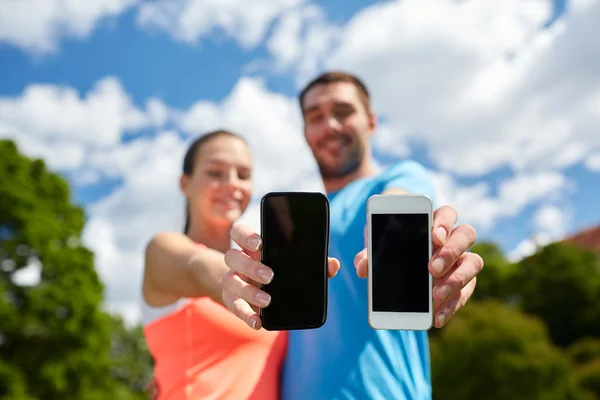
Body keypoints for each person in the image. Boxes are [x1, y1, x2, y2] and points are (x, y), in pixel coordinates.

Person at [221, 71, 484, 399]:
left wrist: (413, 241)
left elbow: (398, 204)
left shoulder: (398, 178)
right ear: (306, 132)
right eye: (315, 116)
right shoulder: (299, 221)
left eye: (343, 112)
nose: (329, 125)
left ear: (370, 121)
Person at [141, 130, 339, 399]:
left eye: (243, 175)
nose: (231, 183)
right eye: (215, 172)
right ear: (185, 183)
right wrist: (234, 279)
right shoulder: (163, 250)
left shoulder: (259, 271)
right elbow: (197, 266)